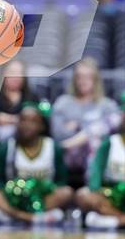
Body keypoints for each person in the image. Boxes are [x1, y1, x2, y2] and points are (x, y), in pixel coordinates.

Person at [0, 103, 73, 224]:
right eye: (23, 120)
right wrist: (12, 194)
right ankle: (26, 217)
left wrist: (42, 190)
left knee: (66, 192)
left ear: (41, 126)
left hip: (42, 199)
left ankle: (13, 216)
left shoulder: (53, 147)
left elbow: (61, 181)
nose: (27, 125)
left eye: (33, 121)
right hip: (12, 199)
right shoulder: (6, 147)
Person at [51, 58, 121, 186]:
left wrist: (78, 128)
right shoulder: (63, 102)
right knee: (95, 137)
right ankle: (92, 189)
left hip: (97, 153)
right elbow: (58, 135)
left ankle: (92, 189)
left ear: (96, 79)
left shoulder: (107, 104)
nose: (83, 81)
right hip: (69, 154)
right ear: (74, 79)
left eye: (88, 77)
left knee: (98, 136)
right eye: (80, 77)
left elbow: (116, 130)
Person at [76, 97, 125, 229]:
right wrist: (95, 189)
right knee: (83, 196)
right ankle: (119, 219)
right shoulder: (110, 142)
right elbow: (96, 168)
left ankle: (108, 221)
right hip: (111, 192)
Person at [0, 60, 39, 142]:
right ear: (3, 73)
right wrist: (19, 119)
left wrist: (8, 119)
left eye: (20, 72)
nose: (16, 76)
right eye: (12, 72)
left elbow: (35, 121)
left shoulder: (32, 96)